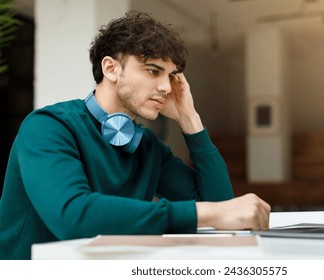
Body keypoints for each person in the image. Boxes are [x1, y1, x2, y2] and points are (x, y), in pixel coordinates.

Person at [0, 11, 270, 260]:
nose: (165, 87)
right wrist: (208, 214)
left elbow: (221, 207)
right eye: (153, 71)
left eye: (171, 76)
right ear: (111, 69)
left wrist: (190, 120)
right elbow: (73, 216)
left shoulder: (147, 147)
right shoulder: (48, 127)